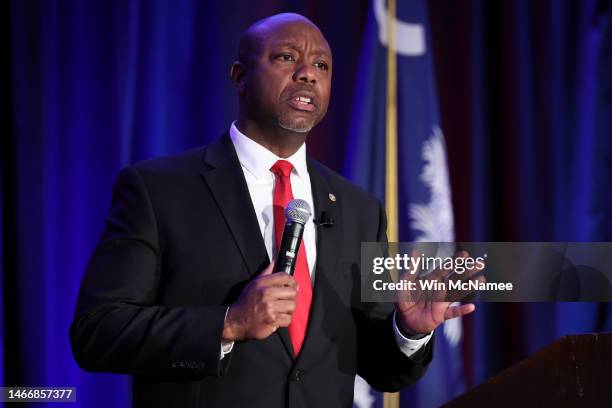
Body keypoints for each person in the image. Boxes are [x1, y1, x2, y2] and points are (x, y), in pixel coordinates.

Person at [70, 13, 476, 408]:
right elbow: (97, 333)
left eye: (321, 64)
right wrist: (227, 324)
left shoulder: (359, 209)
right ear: (239, 75)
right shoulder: (160, 190)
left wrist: (407, 331)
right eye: (286, 57)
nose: (307, 73)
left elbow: (381, 370)